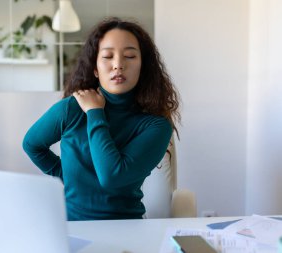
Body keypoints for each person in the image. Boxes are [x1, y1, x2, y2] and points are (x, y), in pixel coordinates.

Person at [22, 17, 180, 221]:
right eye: (107, 56)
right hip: (72, 228)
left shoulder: (156, 124)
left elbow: (112, 178)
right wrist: (66, 174)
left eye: (130, 56)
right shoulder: (71, 108)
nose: (118, 65)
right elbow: (32, 144)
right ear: (95, 67)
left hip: (128, 229)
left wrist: (95, 113)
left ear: (143, 66)